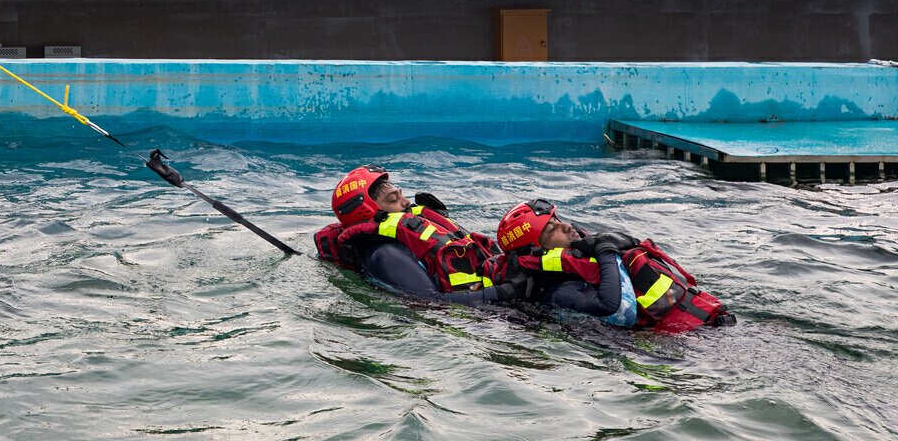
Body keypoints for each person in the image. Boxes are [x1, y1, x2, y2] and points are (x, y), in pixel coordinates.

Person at [495, 199, 735, 332]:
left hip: (714, 321)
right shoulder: (560, 291)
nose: (566, 226)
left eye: (557, 219)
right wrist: (605, 250)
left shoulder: (583, 256)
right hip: (695, 344)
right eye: (551, 229)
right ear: (537, 251)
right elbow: (613, 307)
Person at [313, 166, 513, 305]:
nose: (406, 202)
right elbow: (431, 303)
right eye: (393, 199)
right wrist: (505, 292)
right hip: (487, 318)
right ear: (368, 212)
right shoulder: (385, 256)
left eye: (401, 194)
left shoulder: (408, 238)